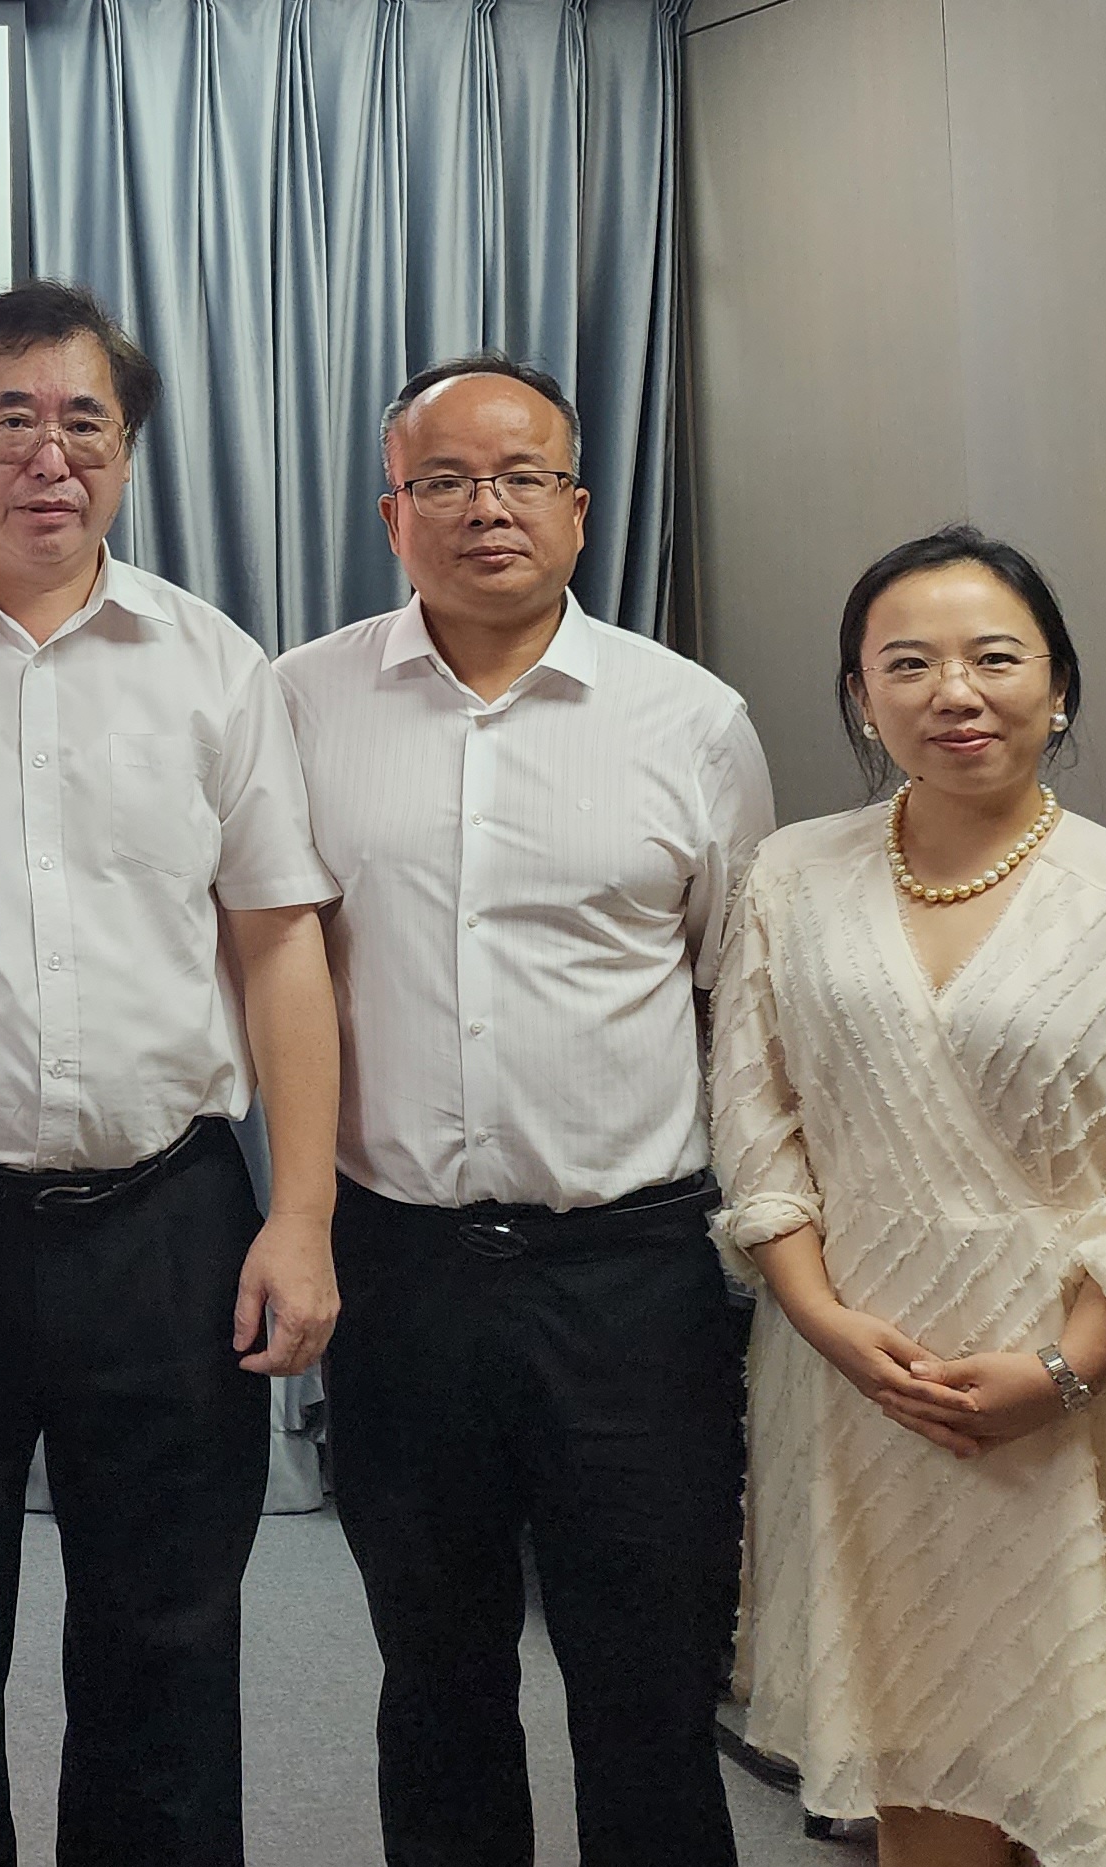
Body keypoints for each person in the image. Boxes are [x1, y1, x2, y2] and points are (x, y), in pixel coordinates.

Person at [0, 283, 342, 1867]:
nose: (49, 457)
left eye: (84, 424)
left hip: (168, 1217)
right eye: (11, 419)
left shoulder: (212, 664)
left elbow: (279, 945)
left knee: (167, 1639)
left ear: (124, 452)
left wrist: (301, 1216)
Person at [707, 528, 1106, 1867]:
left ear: (1059, 684)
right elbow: (757, 1126)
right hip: (869, 1391)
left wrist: (1063, 1372)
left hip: (1093, 1398)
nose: (954, 693)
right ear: (862, 696)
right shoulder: (790, 878)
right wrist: (822, 1322)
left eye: (994, 658)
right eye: (907, 664)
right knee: (922, 1771)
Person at [275, 351, 775, 1867]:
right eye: (443, 481)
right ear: (390, 512)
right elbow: (272, 966)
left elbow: (740, 999)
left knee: (649, 1678)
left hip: (631, 1278)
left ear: (577, 505)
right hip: (403, 1267)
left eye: (518, 478)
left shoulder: (691, 721)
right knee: (436, 1673)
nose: (483, 509)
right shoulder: (301, 703)